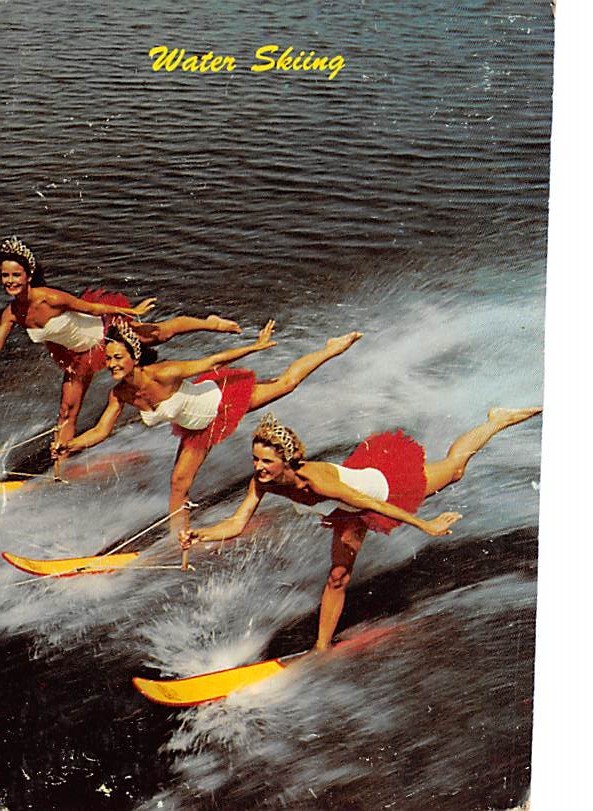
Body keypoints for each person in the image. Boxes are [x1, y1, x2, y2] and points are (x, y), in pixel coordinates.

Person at [180, 407, 542, 650]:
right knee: (338, 576)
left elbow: (376, 505)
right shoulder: (264, 482)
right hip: (348, 510)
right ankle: (321, 649)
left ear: (287, 461)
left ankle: (495, 420)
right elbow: (237, 521)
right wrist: (201, 534)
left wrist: (425, 524)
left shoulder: (317, 481)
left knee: (455, 467)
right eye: (256, 459)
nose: (258, 467)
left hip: (382, 487)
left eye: (267, 461)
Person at [54, 320, 362, 536]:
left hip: (220, 401)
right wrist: (71, 445)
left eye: (118, 358)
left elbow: (214, 360)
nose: (112, 365)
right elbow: (101, 430)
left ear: (134, 357)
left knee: (287, 383)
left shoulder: (165, 373)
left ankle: (332, 348)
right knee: (178, 484)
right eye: (108, 360)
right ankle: (179, 540)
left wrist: (256, 347)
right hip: (197, 429)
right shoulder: (119, 394)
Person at [0, 236, 241, 445]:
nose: (10, 281)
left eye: (16, 275)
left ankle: (210, 322)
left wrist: (133, 313)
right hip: (77, 356)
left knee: (160, 333)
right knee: (66, 411)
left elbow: (92, 308)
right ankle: (60, 468)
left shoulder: (50, 298)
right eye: (4, 276)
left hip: (105, 333)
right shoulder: (10, 314)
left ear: (28, 275)